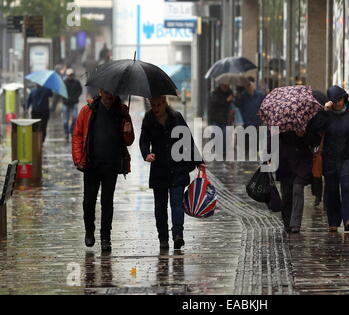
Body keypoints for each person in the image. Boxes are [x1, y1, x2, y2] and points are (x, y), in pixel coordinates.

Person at [140, 96, 206, 250]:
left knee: (177, 204)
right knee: (160, 206)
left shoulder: (176, 117)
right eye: (153, 105)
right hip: (159, 169)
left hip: (177, 167)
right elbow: (143, 141)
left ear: (165, 103)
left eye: (159, 104)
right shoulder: (148, 119)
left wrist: (198, 161)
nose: (156, 108)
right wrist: (146, 154)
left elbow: (188, 139)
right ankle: (163, 237)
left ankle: (178, 235)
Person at [72, 89, 135, 252]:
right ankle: (89, 231)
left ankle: (106, 237)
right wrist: (78, 158)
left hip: (111, 164)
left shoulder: (121, 111)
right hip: (91, 164)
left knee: (107, 202)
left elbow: (128, 141)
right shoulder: (88, 110)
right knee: (88, 201)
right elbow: (78, 134)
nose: (109, 95)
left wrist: (128, 132)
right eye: (106, 92)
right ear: (100, 92)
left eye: (112, 92)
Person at [310, 85, 349, 233]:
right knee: (331, 190)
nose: (338, 103)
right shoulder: (326, 115)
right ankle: (333, 221)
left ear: (345, 98)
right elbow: (315, 129)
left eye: (340, 99)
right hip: (329, 158)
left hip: (347, 157)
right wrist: (324, 112)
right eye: (335, 100)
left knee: (345, 186)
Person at [277, 130, 321, 233]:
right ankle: (288, 222)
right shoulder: (279, 121)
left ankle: (295, 223)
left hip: (302, 163)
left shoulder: (306, 120)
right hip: (285, 163)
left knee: (297, 189)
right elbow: (272, 139)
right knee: (287, 193)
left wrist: (304, 134)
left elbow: (315, 141)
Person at [208, 84, 234, 155]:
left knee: (225, 134)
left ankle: (223, 151)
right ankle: (217, 149)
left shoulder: (230, 93)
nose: (225, 86)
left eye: (226, 85)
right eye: (224, 85)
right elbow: (216, 103)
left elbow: (231, 105)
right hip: (216, 118)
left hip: (225, 118)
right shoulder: (215, 93)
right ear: (221, 84)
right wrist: (226, 100)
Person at [63, 69, 83, 142]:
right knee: (65, 120)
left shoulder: (76, 82)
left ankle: (71, 130)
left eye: (72, 75)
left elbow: (80, 90)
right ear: (67, 75)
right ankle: (66, 133)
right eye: (69, 75)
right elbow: (61, 92)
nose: (71, 76)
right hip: (66, 103)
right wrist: (65, 99)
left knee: (75, 117)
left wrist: (75, 97)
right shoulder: (64, 82)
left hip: (74, 102)